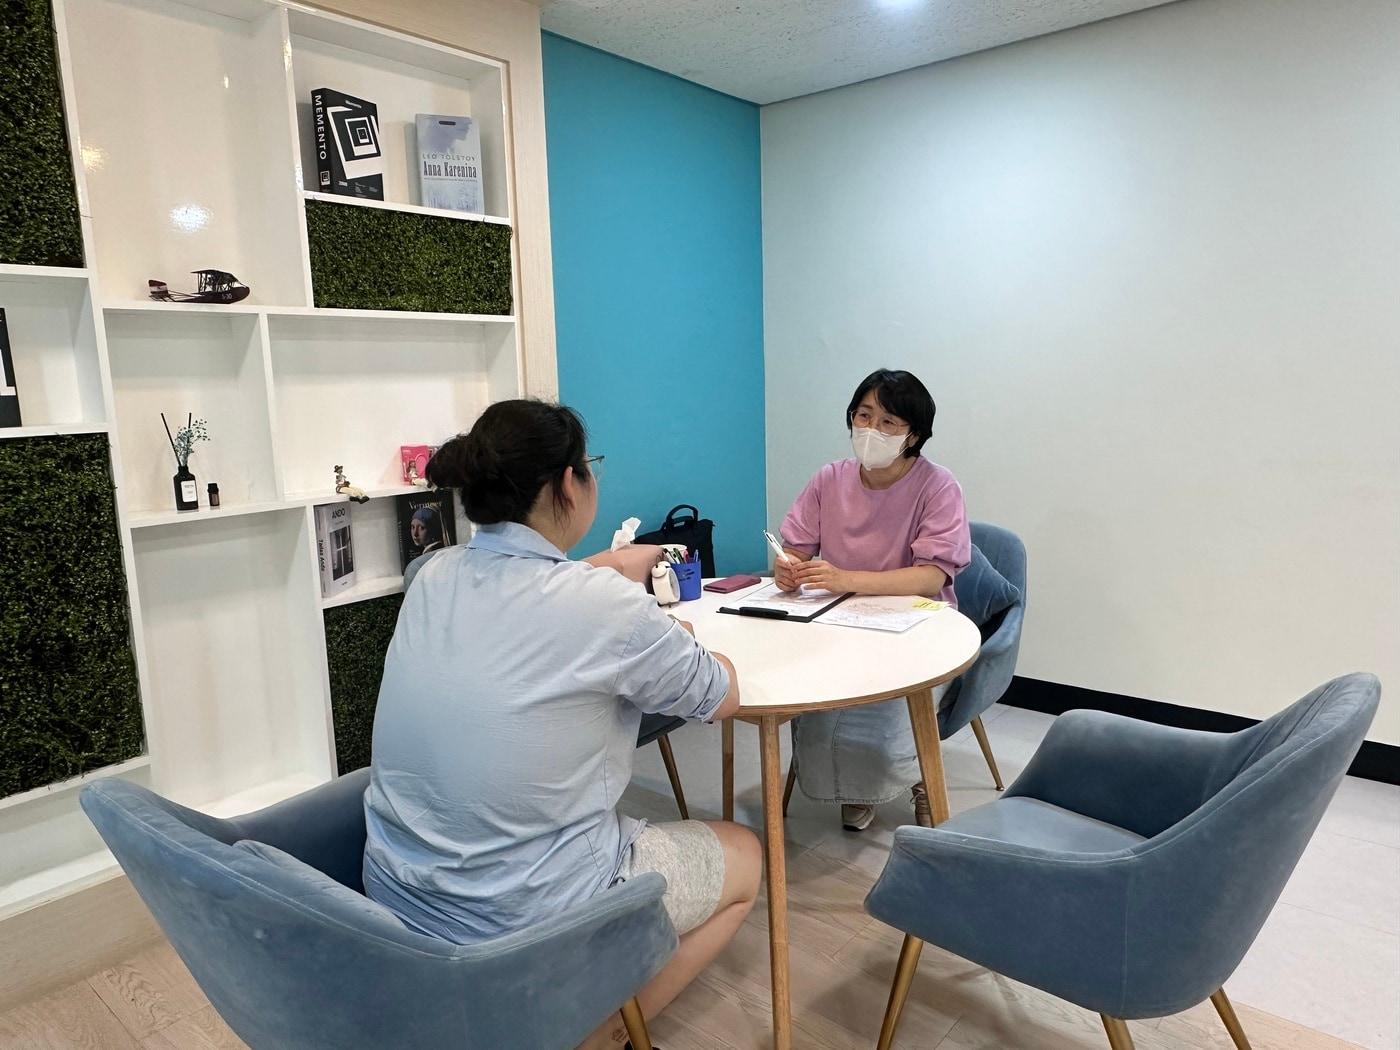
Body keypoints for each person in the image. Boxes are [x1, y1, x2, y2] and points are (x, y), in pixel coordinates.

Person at [363, 399, 761, 1050]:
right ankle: (597, 1035)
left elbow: (526, 589)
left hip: (393, 896)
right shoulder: (606, 609)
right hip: (525, 918)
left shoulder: (430, 575)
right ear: (568, 485)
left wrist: (609, 569)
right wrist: (684, 641)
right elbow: (721, 695)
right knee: (746, 856)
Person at [775, 368, 971, 830]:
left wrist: (845, 578)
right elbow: (796, 547)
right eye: (863, 416)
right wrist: (788, 568)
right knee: (817, 701)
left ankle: (917, 776)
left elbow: (931, 577)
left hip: (917, 626)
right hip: (839, 620)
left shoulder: (937, 485)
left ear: (913, 435)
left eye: (888, 422)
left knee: (887, 715)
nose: (872, 430)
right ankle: (853, 787)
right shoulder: (830, 479)